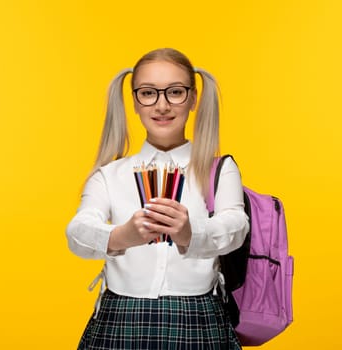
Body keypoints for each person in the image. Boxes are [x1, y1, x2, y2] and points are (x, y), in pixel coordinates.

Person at [66, 48, 249, 349]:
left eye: (175, 92)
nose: (162, 105)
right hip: (121, 318)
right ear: (135, 102)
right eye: (148, 93)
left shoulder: (219, 170)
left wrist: (192, 233)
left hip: (198, 318)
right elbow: (77, 233)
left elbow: (236, 227)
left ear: (193, 99)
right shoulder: (110, 175)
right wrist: (122, 235)